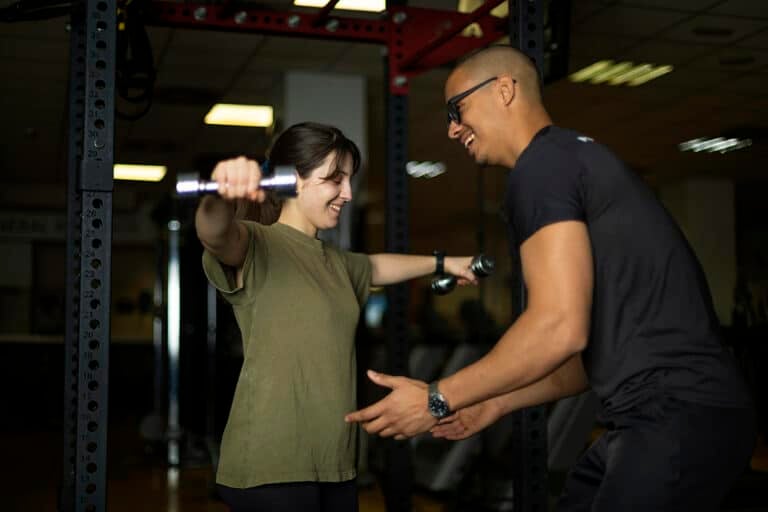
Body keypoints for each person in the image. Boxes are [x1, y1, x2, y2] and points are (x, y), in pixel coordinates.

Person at [344, 46, 757, 511]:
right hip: (667, 414)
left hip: (675, 414)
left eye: (456, 109)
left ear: (504, 90)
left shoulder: (541, 168)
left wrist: (437, 399)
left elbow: (558, 327)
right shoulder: (566, 160)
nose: (452, 128)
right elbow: (579, 357)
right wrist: (493, 402)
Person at [194, 121, 478, 512]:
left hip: (336, 465)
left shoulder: (336, 262)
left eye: (349, 180)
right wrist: (220, 193)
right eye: (334, 179)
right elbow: (213, 232)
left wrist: (447, 262)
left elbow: (378, 266)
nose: (347, 193)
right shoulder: (258, 243)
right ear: (293, 180)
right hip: (272, 465)